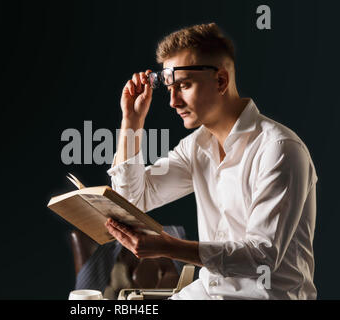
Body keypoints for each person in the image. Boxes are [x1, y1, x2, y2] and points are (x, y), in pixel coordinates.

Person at [105, 22, 317, 300]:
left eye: (183, 86)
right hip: (206, 293)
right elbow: (132, 199)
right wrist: (131, 122)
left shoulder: (279, 149)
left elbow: (261, 258)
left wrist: (171, 247)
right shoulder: (197, 146)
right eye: (169, 88)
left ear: (220, 80)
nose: (172, 101)